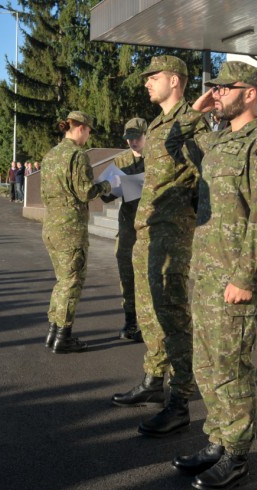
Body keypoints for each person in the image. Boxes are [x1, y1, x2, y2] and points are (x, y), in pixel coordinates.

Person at [172, 61, 257, 490]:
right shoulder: (218, 142)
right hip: (205, 275)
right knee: (206, 365)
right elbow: (176, 136)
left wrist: (244, 275)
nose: (217, 93)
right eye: (214, 88)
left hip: (235, 278)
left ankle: (237, 453)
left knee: (231, 368)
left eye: (226, 88)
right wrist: (196, 106)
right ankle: (216, 440)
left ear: (251, 94)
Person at [111, 56, 210, 437]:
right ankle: (154, 379)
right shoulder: (156, 124)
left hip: (172, 229)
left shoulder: (194, 123)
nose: (147, 83)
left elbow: (209, 174)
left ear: (175, 80)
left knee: (171, 312)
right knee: (148, 309)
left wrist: (195, 218)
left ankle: (180, 399)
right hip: (147, 228)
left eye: (153, 77)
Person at [41, 111, 115, 353]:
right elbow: (84, 192)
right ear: (81, 128)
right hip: (71, 228)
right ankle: (63, 336)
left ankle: (53, 331)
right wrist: (105, 185)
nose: (89, 136)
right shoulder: (77, 156)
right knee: (72, 282)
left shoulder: (51, 155)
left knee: (62, 281)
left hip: (51, 225)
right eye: (89, 131)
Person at [102, 117, 148, 342]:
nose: (132, 142)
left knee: (151, 277)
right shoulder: (120, 160)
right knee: (126, 274)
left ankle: (152, 324)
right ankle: (131, 321)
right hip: (128, 227)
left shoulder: (158, 158)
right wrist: (108, 187)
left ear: (145, 135)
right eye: (128, 138)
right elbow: (106, 194)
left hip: (151, 227)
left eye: (136, 137)